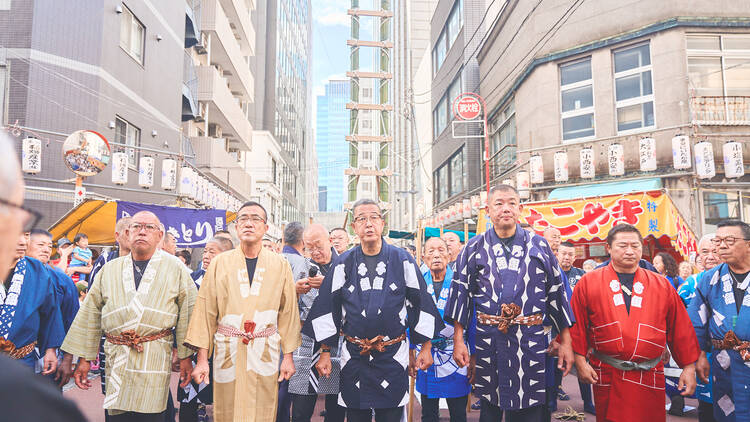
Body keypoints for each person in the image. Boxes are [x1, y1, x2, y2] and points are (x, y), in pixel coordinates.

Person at [303, 198, 444, 422]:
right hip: (354, 354)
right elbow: (329, 307)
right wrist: (325, 352)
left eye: (373, 218)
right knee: (356, 414)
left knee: (390, 414)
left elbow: (421, 302)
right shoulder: (343, 263)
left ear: (382, 223)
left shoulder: (403, 259)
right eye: (361, 219)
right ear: (354, 227)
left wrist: (425, 346)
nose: (368, 224)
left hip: (392, 354)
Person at [445, 184, 574, 422]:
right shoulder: (473, 248)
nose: (506, 208)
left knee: (530, 408)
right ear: (487, 210)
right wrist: (459, 341)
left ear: (520, 208)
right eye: (499, 203)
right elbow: (460, 295)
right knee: (490, 408)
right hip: (489, 339)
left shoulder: (540, 245)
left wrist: (565, 341)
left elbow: (557, 293)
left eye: (512, 203)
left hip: (530, 340)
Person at [62, 211, 197, 421]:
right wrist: (84, 360)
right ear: (127, 233)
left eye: (149, 227)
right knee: (118, 412)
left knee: (152, 412)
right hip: (117, 355)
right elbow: (90, 315)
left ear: (160, 235)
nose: (142, 231)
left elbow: (189, 312)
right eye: (136, 227)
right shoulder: (109, 269)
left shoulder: (176, 269)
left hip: (154, 353)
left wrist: (185, 356)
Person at [570, 224, 700, 422]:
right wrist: (580, 361)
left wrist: (688, 368)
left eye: (635, 245)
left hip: (649, 373)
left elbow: (680, 327)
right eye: (622, 245)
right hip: (608, 372)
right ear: (608, 248)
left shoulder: (662, 284)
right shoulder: (589, 282)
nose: (630, 251)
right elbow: (576, 325)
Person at [185, 201, 301, 422]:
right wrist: (201, 360)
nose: (249, 223)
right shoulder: (220, 263)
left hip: (264, 348)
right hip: (228, 349)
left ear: (266, 228)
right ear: (236, 228)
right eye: (243, 219)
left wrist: (288, 357)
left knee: (264, 408)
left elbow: (288, 313)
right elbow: (205, 313)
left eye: (255, 219)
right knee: (227, 407)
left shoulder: (280, 264)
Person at [688, 220, 750, 422]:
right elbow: (697, 321)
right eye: (718, 240)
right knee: (727, 412)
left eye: (729, 240)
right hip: (724, 364)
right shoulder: (709, 279)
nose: (722, 246)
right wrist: (699, 355)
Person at [412, 236, 473, 422]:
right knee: (428, 413)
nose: (436, 255)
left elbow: (472, 319)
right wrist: (408, 353)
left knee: (458, 412)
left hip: (455, 351)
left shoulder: (460, 283)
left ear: (449, 255)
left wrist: (475, 355)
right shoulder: (417, 284)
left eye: (441, 250)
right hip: (426, 352)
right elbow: (409, 319)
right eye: (431, 251)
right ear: (423, 256)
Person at [288, 224, 344, 422]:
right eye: (309, 247)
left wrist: (328, 283)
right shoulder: (301, 267)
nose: (315, 252)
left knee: (336, 407)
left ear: (330, 241)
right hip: (307, 340)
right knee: (302, 407)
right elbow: (285, 305)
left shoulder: (344, 264)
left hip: (338, 341)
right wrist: (294, 291)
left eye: (318, 246)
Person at [178, 236, 234, 422]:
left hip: (227, 350)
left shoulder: (235, 282)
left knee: (226, 400)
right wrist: (179, 351)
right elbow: (183, 316)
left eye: (213, 252)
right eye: (205, 251)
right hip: (196, 349)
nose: (207, 256)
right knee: (189, 399)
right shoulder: (192, 279)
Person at [2, 232, 65, 374]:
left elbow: (51, 312)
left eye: (26, 235)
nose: (23, 241)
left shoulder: (37, 270)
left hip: (22, 360)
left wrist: (50, 349)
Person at [25, 229, 80, 388]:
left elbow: (71, 320)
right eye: (40, 244)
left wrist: (68, 359)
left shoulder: (62, 279)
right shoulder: (10, 275)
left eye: (49, 246)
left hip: (51, 354)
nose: (46, 249)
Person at [674, 233, 720, 422]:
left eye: (715, 251)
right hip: (702, 355)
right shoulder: (690, 284)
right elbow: (676, 320)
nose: (710, 256)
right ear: (697, 256)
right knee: (708, 409)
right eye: (705, 251)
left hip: (736, 356)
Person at [556, 241, 594, 414]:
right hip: (556, 327)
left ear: (575, 256)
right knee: (553, 363)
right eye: (563, 253)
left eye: (570, 254)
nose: (566, 257)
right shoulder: (550, 273)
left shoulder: (582, 276)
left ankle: (588, 402)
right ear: (557, 253)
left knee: (581, 363)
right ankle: (552, 397)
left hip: (577, 327)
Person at [279, 221, 307, 422]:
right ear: (303, 241)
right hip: (294, 329)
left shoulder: (271, 260)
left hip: (266, 328)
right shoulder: (304, 264)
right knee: (287, 379)